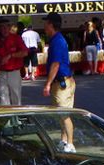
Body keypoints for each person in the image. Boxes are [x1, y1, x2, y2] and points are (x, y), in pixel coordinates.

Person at [42, 12, 76, 153]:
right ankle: (63, 141)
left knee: (64, 114)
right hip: (62, 83)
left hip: (62, 83)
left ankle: (70, 144)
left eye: (45, 23)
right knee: (60, 114)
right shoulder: (56, 40)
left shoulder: (57, 41)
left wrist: (47, 84)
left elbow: (55, 65)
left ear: (51, 25)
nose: (43, 25)